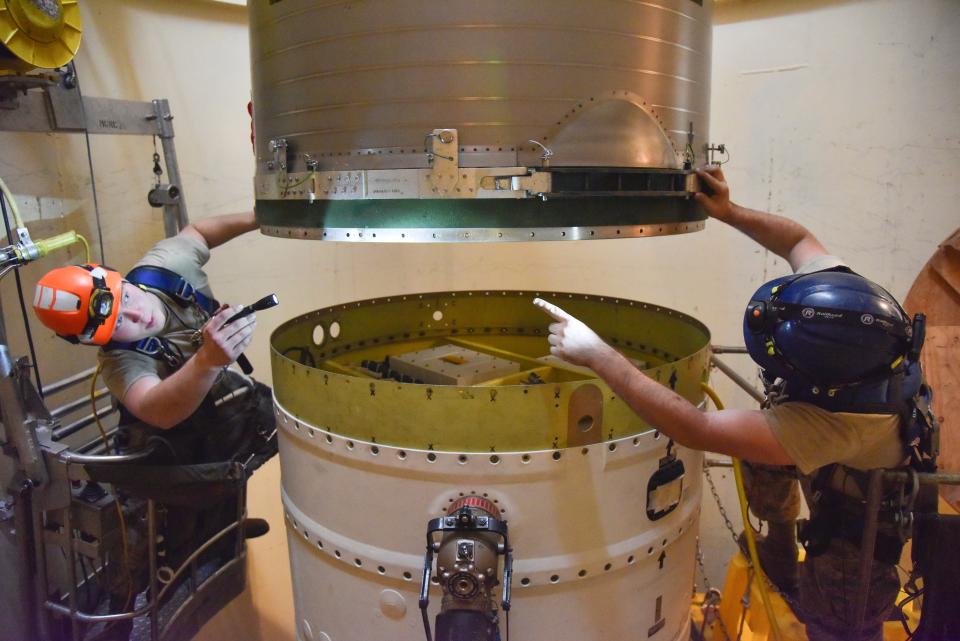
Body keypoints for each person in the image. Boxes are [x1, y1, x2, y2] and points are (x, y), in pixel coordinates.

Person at [534, 165, 937, 641]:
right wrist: (728, 211)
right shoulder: (844, 304)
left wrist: (598, 354)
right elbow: (797, 239)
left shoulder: (835, 423)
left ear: (821, 379)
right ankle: (780, 547)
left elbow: (695, 429)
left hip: (861, 505)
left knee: (842, 611)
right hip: (837, 458)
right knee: (762, 444)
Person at [32, 212, 278, 635]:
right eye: (117, 325)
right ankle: (127, 613)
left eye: (124, 298)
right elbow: (157, 408)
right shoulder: (119, 360)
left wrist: (262, 215)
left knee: (235, 482)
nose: (135, 316)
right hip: (166, 449)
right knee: (149, 541)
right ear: (98, 340)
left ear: (119, 279)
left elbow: (198, 232)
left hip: (222, 416)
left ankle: (225, 545)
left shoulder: (163, 271)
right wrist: (206, 361)